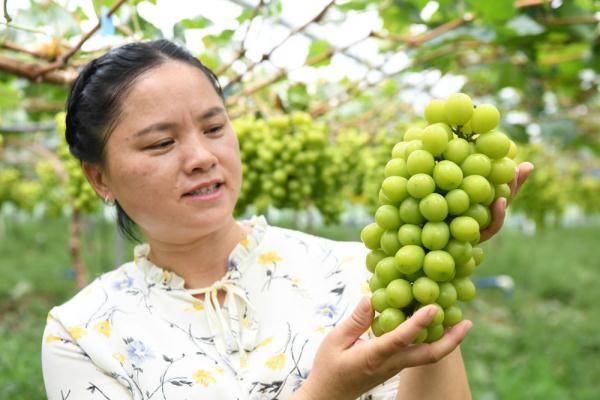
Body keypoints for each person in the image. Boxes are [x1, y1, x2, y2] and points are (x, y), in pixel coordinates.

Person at [41, 39, 532, 400]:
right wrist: (326, 393)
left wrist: (441, 261)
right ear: (99, 177)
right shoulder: (82, 335)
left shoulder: (364, 271)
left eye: (214, 127)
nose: (201, 157)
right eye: (161, 143)